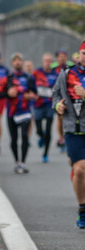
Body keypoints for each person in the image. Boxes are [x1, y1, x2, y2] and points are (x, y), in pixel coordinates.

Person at [52, 41, 85, 229]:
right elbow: (55, 94)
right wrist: (58, 106)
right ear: (79, 54)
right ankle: (82, 208)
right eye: (83, 53)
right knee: (79, 169)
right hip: (73, 129)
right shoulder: (67, 74)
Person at [7, 52, 37, 174]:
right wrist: (9, 93)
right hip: (12, 112)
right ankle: (16, 162)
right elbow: (2, 93)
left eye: (19, 60)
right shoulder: (9, 77)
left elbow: (35, 94)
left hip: (25, 111)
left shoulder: (29, 77)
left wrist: (30, 96)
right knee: (14, 139)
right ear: (12, 63)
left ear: (22, 62)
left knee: (24, 136)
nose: (17, 62)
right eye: (15, 60)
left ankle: (23, 163)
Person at [33, 53, 58, 163]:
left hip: (49, 104)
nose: (48, 63)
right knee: (38, 129)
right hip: (38, 104)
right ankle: (41, 136)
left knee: (48, 130)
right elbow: (30, 85)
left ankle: (45, 154)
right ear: (43, 62)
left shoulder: (56, 74)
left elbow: (58, 88)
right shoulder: (36, 73)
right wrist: (33, 94)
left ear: (52, 62)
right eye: (46, 60)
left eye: (49, 60)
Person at [52, 49, 74, 151]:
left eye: (64, 56)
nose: (62, 58)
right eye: (60, 56)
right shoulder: (53, 67)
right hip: (58, 95)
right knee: (60, 118)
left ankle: (68, 136)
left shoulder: (71, 66)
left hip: (69, 95)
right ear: (57, 58)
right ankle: (62, 137)